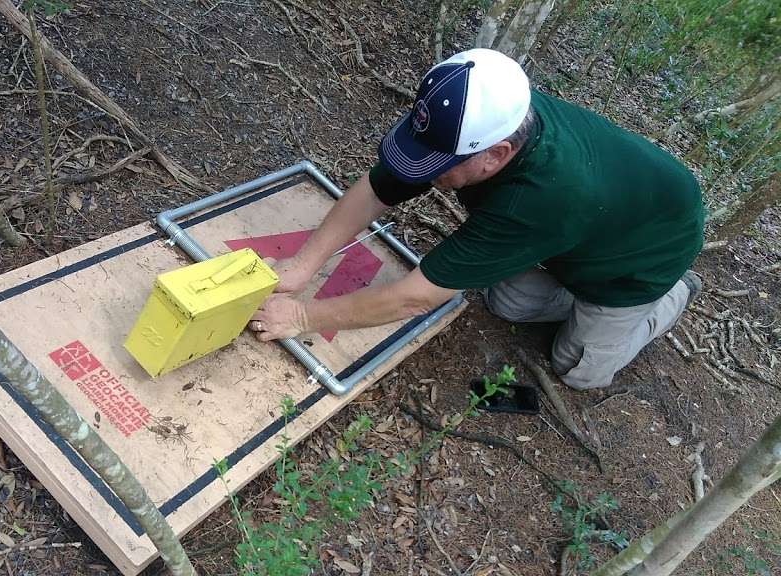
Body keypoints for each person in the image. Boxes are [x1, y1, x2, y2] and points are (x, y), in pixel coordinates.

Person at [248, 48, 704, 391]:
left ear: (497, 154)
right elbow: (375, 189)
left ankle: (670, 297)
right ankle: (573, 274)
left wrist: (303, 315)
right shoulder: (483, 112)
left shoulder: (539, 200)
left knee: (579, 369)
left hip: (643, 256)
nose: (424, 173)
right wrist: (303, 266)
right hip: (589, 225)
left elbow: (415, 299)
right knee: (506, 301)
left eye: (439, 164)